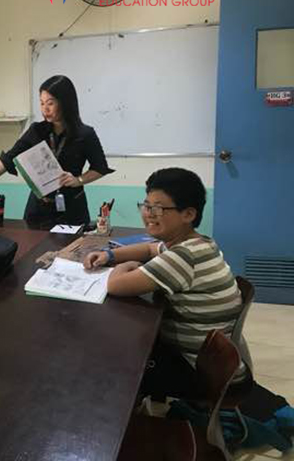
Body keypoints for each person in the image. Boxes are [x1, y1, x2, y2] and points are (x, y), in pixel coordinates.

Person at [83, 168, 253, 400]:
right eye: (146, 205)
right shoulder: (198, 243)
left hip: (200, 375)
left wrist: (129, 264)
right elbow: (150, 248)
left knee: (114, 359)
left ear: (188, 214)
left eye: (159, 208)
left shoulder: (183, 257)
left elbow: (115, 285)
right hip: (212, 364)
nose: (149, 214)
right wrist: (109, 255)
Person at [0, 75, 113, 227]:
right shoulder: (36, 131)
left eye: (50, 103)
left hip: (72, 209)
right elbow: (8, 159)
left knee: (73, 243)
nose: (45, 109)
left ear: (65, 102)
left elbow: (100, 168)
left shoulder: (85, 134)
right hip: (38, 210)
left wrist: (78, 180)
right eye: (41, 103)